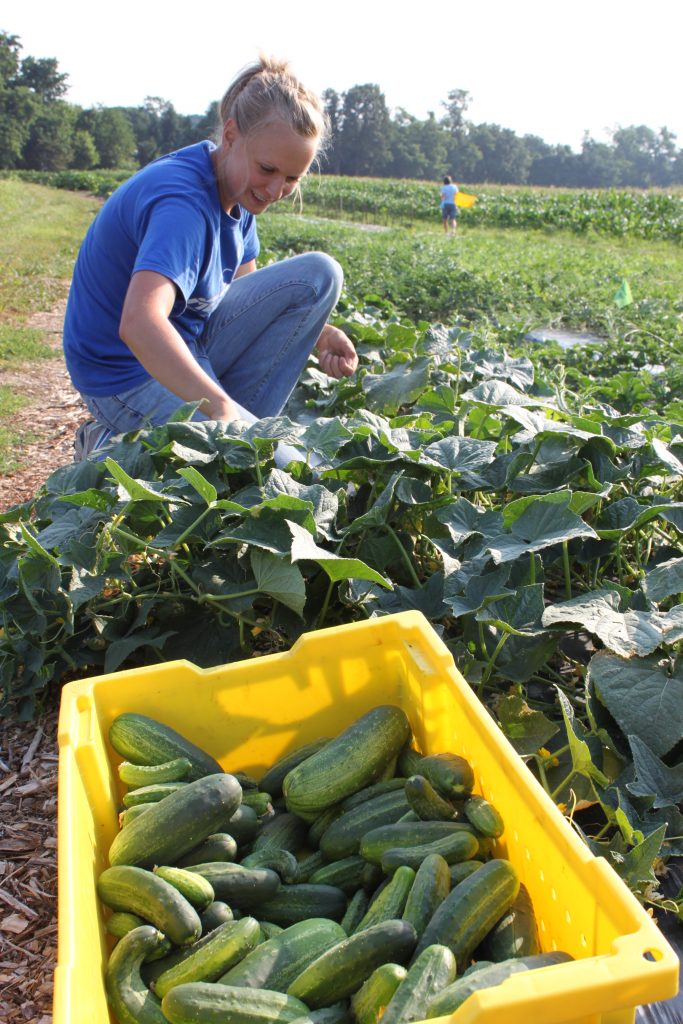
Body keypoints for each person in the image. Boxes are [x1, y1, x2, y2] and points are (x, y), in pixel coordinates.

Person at [63, 55, 358, 461]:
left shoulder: (238, 189)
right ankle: (109, 448)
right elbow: (139, 322)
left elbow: (244, 297)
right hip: (123, 373)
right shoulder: (183, 203)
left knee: (319, 274)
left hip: (186, 345)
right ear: (233, 135)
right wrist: (218, 409)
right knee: (284, 466)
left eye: (292, 178)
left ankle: (216, 446)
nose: (275, 190)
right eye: (268, 169)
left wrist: (322, 334)